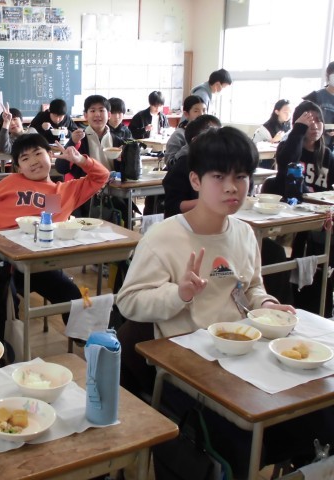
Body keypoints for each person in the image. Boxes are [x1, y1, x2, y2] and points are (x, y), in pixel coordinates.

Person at [116, 126, 306, 476]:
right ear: (196, 180)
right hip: (186, 364)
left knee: (309, 413)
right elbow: (129, 302)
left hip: (241, 353)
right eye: (219, 177)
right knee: (240, 435)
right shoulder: (163, 237)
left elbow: (251, 287)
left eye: (241, 177)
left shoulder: (244, 233)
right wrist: (179, 294)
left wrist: (265, 306)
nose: (232, 187)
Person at [0, 133, 109, 325]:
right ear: (18, 167)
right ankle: (4, 336)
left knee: (73, 295)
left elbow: (101, 177)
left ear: (50, 155)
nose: (33, 161)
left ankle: (87, 338)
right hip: (0, 258)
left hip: (37, 263)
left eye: (38, 153)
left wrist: (81, 160)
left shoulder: (64, 191)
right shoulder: (11, 182)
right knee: (3, 298)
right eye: (25, 158)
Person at [275, 100, 334, 316]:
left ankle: (321, 305)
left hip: (321, 217)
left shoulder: (327, 155)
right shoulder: (291, 149)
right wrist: (298, 130)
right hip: (292, 217)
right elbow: (285, 162)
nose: (315, 125)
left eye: (318, 120)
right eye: (308, 121)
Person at [162, 114, 221, 218]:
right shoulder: (183, 165)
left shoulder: (221, 163)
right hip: (186, 222)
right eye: (212, 136)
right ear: (195, 141)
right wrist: (209, 202)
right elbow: (173, 206)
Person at [57, 95, 123, 178]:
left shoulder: (117, 141)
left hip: (113, 185)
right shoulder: (79, 140)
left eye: (101, 110)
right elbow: (61, 168)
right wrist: (72, 142)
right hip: (87, 185)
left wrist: (123, 160)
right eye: (92, 111)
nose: (97, 114)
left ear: (109, 115)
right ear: (85, 115)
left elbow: (127, 173)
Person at [163, 95, 206, 166]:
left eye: (204, 110)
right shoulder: (179, 135)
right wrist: (191, 145)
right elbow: (169, 163)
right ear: (186, 114)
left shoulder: (209, 134)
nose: (201, 114)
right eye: (196, 111)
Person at [303, 61, 334, 148]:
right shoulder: (315, 96)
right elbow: (302, 118)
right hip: (314, 144)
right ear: (328, 76)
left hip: (331, 146)